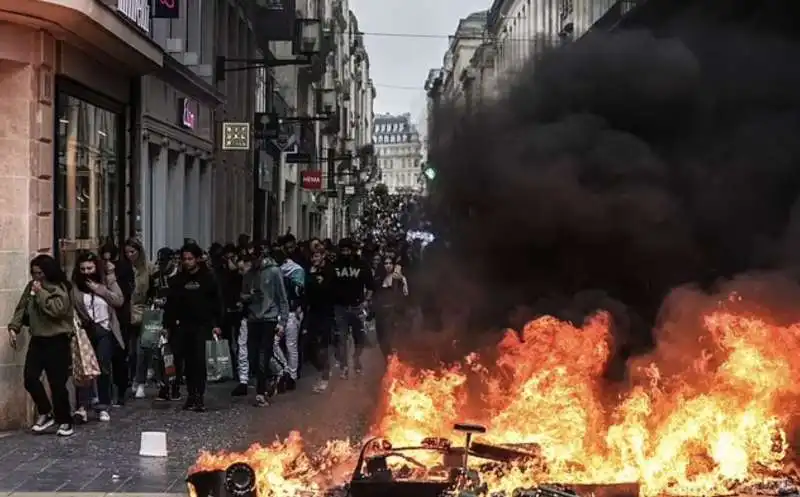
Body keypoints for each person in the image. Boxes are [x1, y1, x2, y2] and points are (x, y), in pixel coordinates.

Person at [7, 255, 74, 436]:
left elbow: (57, 310)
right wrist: (14, 327)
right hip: (38, 340)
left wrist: (41, 293)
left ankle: (65, 420)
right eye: (34, 273)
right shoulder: (31, 288)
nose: (36, 277)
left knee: (57, 383)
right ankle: (45, 411)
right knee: (30, 378)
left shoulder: (60, 289)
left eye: (40, 273)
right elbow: (22, 308)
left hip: (57, 340)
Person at [162, 243, 224, 411]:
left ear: (197, 259)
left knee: (199, 361)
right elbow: (171, 304)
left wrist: (217, 324)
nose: (187, 262)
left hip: (202, 325)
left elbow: (216, 302)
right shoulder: (178, 280)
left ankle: (199, 396)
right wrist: (167, 325)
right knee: (186, 362)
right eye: (184, 259)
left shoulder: (208, 278)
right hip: (182, 325)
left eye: (190, 259)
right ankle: (190, 394)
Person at [70, 252, 125, 423]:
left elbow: (118, 300)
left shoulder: (107, 281)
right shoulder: (75, 287)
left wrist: (100, 290)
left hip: (104, 329)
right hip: (85, 330)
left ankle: (103, 405)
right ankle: (83, 406)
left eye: (90, 268)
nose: (86, 272)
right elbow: (73, 307)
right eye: (83, 269)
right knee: (85, 368)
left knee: (103, 366)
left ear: (96, 267)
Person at [241, 247, 289, 407]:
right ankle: (272, 376)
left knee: (263, 355)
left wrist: (282, 322)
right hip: (253, 318)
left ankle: (260, 392)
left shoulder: (274, 272)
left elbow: (282, 297)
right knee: (253, 357)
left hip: (269, 318)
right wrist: (248, 297)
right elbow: (243, 294)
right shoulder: (248, 275)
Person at [331, 238, 373, 378]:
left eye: (348, 250)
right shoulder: (335, 265)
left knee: (359, 337)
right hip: (340, 307)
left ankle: (356, 358)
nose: (345, 252)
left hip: (357, 306)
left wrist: (366, 301)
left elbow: (371, 285)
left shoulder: (362, 265)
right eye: (343, 250)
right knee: (341, 338)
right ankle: (344, 366)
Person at [272, 248, 305, 391]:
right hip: (281, 313)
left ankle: (291, 376)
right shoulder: (292, 272)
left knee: (289, 345)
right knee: (277, 344)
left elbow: (299, 292)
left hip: (290, 313)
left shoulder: (293, 272)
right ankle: (287, 371)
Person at [305, 248, 336, 392]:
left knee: (323, 345)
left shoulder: (329, 270)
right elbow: (308, 290)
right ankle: (321, 367)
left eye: (317, 256)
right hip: (313, 312)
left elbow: (328, 290)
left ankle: (324, 375)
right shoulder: (310, 271)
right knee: (308, 344)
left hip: (326, 313)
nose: (314, 259)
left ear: (323, 256)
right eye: (313, 256)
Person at [373, 256, 409, 359]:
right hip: (380, 313)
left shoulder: (399, 278)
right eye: (386, 263)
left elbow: (405, 295)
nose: (388, 266)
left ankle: (394, 361)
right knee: (381, 339)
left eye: (390, 263)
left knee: (391, 339)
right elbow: (375, 294)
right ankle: (387, 360)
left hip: (393, 312)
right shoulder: (379, 277)